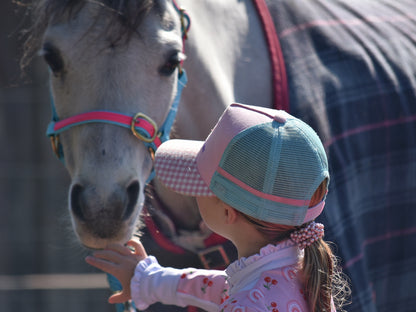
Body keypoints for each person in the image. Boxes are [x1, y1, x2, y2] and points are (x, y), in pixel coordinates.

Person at [86, 103, 350, 312]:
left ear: (227, 213)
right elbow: (221, 287)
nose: (195, 195)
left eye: (201, 186)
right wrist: (148, 279)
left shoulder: (247, 304)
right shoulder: (300, 273)